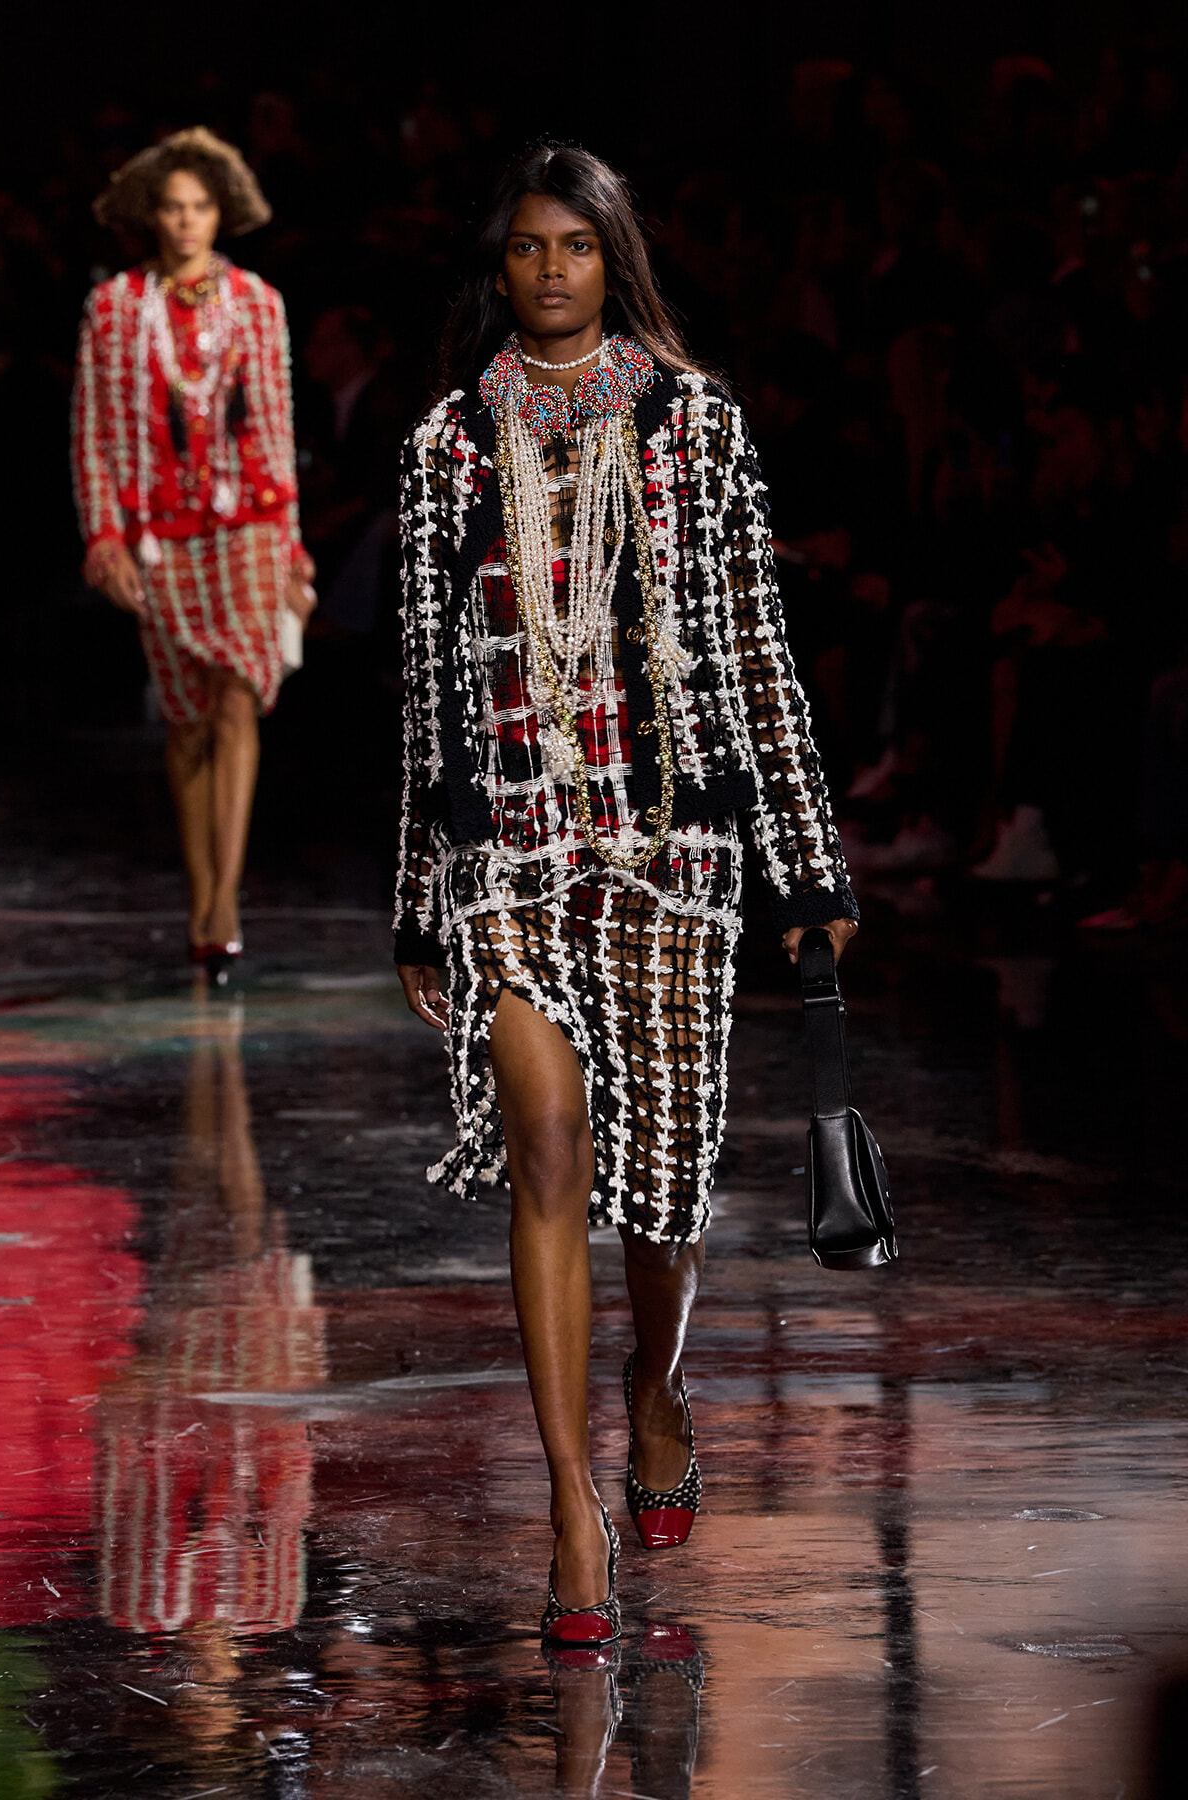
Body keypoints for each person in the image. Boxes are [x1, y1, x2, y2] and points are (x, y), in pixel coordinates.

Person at [393, 144, 858, 1647]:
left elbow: (753, 642)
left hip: (673, 850)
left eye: (575, 246)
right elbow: (425, 694)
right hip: (512, 849)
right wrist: (421, 895)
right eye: (526, 246)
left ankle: (656, 1402)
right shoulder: (449, 446)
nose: (548, 270)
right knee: (548, 1140)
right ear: (501, 264)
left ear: (613, 258)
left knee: (661, 1174)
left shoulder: (694, 423)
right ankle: (568, 1501)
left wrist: (808, 863)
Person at [72, 127, 317, 972]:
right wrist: (104, 538)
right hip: (161, 540)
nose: (186, 222)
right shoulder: (112, 310)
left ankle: (224, 898)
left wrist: (291, 553)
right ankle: (200, 882)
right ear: (153, 215)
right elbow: (94, 436)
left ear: (220, 213)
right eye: (173, 208)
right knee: (184, 721)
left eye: (201, 206)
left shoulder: (259, 303)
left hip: (247, 527)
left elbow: (278, 430)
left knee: (239, 699)